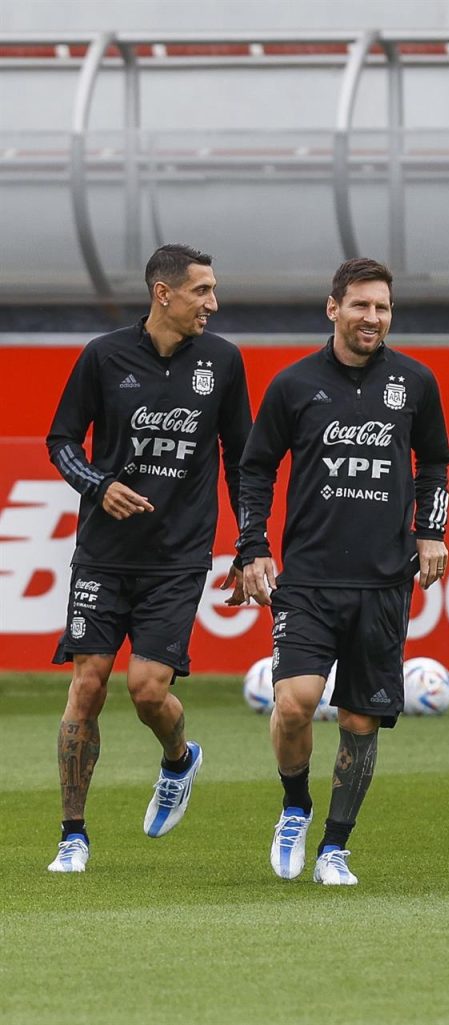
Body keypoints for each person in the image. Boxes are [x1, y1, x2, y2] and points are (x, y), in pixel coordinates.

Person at [237, 257, 449, 886]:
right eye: (360, 305)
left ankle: (336, 846)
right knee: (296, 702)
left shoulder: (414, 381)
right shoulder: (293, 384)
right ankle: (295, 805)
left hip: (385, 581)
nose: (372, 317)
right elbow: (256, 468)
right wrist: (253, 546)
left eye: (382, 307)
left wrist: (431, 531)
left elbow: (435, 460)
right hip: (307, 578)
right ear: (333, 308)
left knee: (360, 721)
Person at [44, 243, 250, 873]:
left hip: (177, 558)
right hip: (103, 557)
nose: (212, 304)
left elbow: (242, 462)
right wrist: (97, 485)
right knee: (88, 686)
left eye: (213, 291)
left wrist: (250, 544)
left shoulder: (223, 360)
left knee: (146, 691)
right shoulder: (103, 356)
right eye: (201, 292)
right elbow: (60, 442)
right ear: (163, 293)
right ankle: (73, 835)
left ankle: (179, 759)